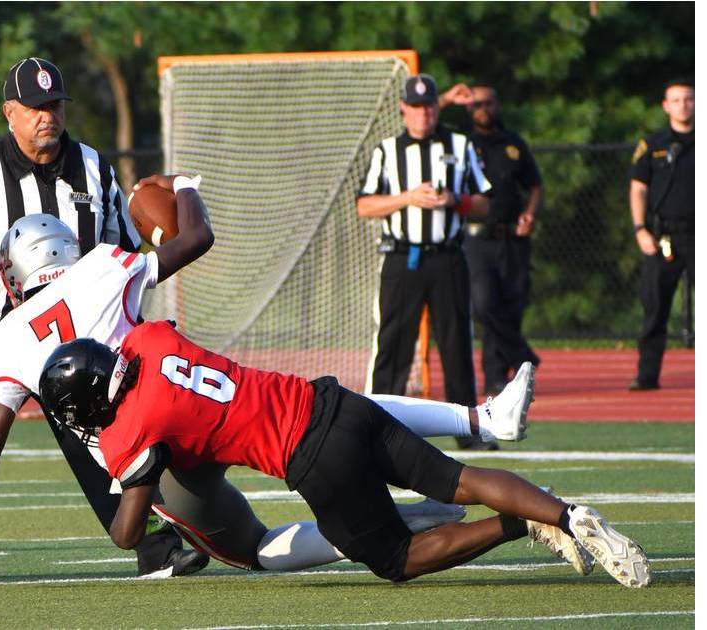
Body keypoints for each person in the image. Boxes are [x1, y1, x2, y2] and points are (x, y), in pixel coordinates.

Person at [0, 191, 571, 577]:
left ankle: (395, 521)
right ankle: (481, 421)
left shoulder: (1, 342)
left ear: (12, 273)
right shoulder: (104, 268)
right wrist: (184, 186)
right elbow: (193, 237)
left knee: (255, 548)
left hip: (142, 454)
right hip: (190, 391)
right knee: (329, 409)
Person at [37, 323, 650, 587]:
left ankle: (521, 524)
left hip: (311, 455)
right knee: (455, 477)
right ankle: (565, 513)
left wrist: (114, 461)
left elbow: (126, 533)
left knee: (395, 558)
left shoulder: (130, 432)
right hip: (335, 402)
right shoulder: (150, 338)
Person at [0, 57, 196, 580]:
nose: (48, 117)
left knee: (99, 428)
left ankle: (154, 546)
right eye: (36, 108)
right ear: (9, 113)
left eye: (55, 105)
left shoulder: (94, 167)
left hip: (73, 324)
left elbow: (122, 253)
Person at [357, 73, 495, 450]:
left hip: (448, 257)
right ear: (404, 109)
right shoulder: (387, 150)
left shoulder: (460, 145)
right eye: (416, 107)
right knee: (392, 345)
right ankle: (373, 427)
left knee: (456, 345)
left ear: (438, 107)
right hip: (403, 257)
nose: (423, 114)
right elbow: (364, 204)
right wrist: (407, 198)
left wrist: (455, 200)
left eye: (429, 106)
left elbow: (484, 202)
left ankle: (468, 431)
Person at [437, 83, 543, 397]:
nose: (484, 109)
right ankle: (523, 356)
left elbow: (535, 185)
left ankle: (497, 376)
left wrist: (530, 213)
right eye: (477, 104)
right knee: (484, 304)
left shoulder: (513, 143)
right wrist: (446, 99)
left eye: (489, 103)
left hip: (511, 237)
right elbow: (424, 121)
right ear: (468, 109)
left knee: (511, 305)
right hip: (475, 238)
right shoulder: (459, 141)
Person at [628, 78, 694, 391]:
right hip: (663, 235)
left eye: (689, 99)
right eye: (677, 100)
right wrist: (640, 229)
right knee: (655, 308)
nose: (684, 105)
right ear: (666, 106)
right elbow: (638, 189)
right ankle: (647, 375)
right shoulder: (653, 145)